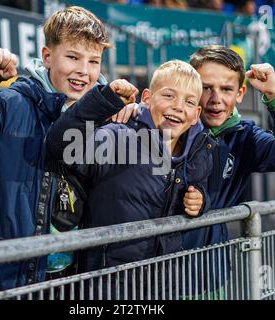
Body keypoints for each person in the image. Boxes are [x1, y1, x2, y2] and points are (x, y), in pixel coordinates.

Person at [0, 6, 118, 298]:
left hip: (76, 286)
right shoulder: (7, 105)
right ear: (47, 56)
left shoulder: (108, 119)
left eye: (93, 61)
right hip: (4, 283)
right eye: (73, 57)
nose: (84, 71)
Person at [46, 60, 214, 299]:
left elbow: (200, 193)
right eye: (169, 95)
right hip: (108, 285)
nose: (178, 107)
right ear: (147, 98)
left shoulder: (200, 152)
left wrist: (201, 201)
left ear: (196, 114)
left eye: (189, 102)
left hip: (165, 285)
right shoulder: (117, 136)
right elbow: (61, 146)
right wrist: (103, 101)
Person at [182, 45, 275, 298]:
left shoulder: (245, 137)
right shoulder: (169, 127)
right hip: (157, 273)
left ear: (240, 93)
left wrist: (274, 95)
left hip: (212, 275)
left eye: (226, 89)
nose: (215, 98)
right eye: (206, 88)